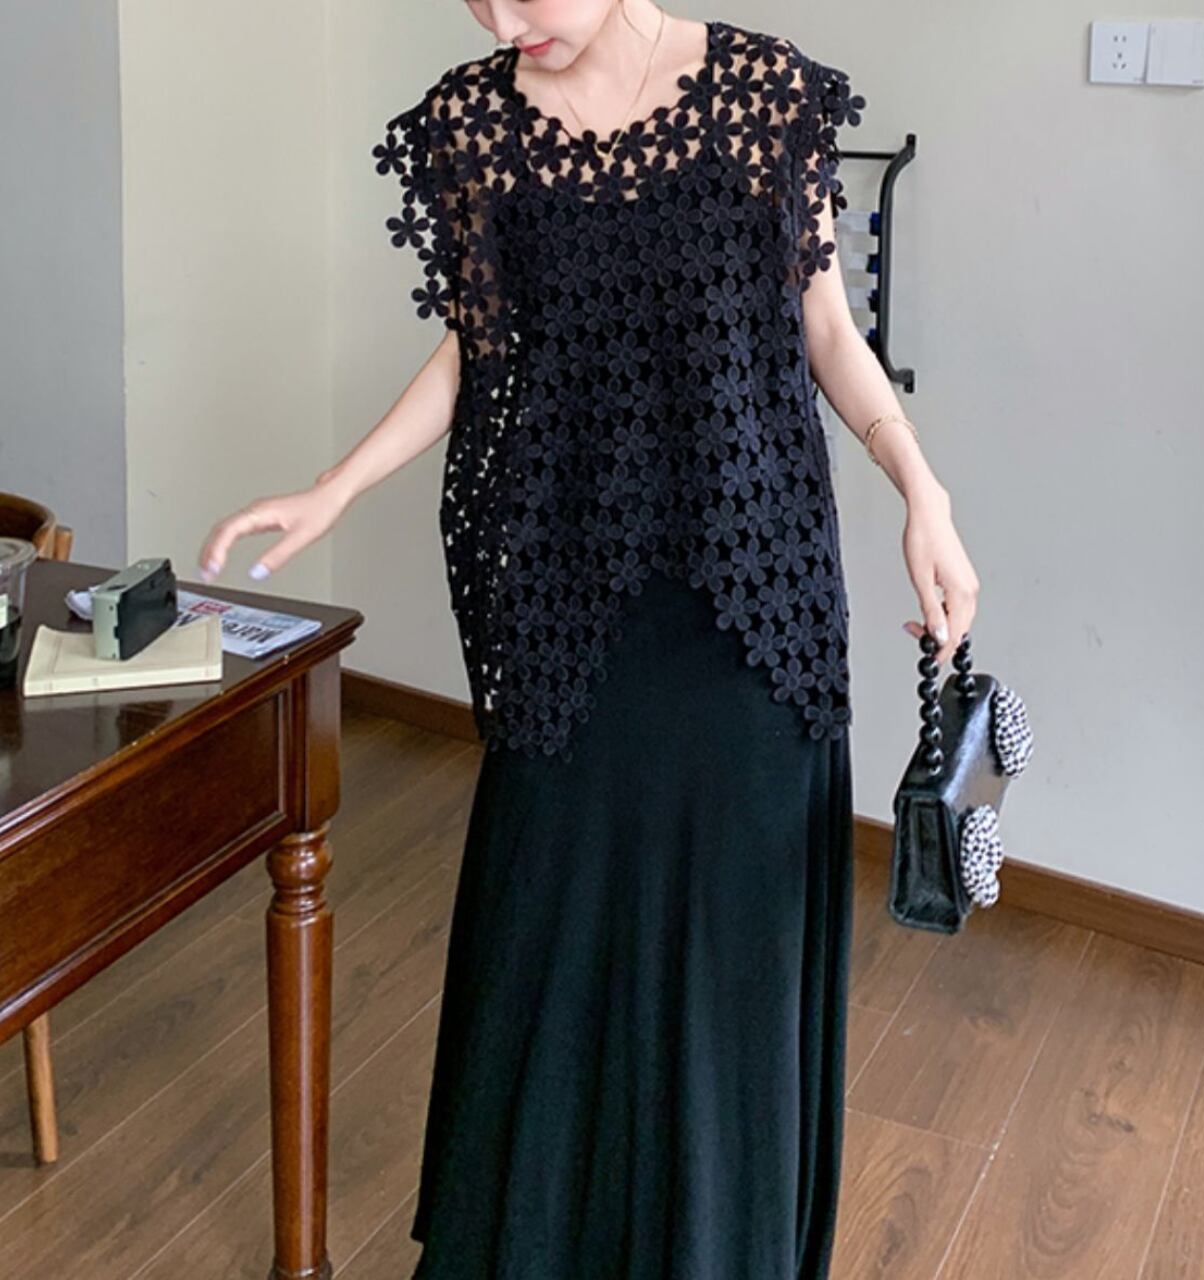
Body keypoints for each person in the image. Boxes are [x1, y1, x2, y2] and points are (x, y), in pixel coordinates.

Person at [199, 2, 980, 1276]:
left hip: (751, 605)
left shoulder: (763, 92)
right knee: (544, 953)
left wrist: (921, 490)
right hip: (567, 602)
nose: (503, 18)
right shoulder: (474, 124)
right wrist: (336, 487)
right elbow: (475, 346)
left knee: (728, 971)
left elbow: (826, 330)